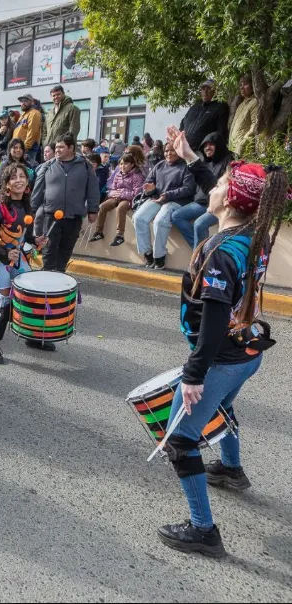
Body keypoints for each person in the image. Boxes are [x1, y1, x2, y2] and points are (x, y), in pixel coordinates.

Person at [156, 125, 288, 558]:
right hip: (246, 352)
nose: (213, 186)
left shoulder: (218, 253)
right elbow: (215, 184)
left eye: (222, 184)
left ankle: (203, 530)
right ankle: (231, 469)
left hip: (221, 358)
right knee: (223, 408)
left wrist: (193, 375)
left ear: (230, 200)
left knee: (181, 440)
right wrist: (189, 155)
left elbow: (212, 323)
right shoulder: (252, 233)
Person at [0, 163, 49, 364]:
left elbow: (24, 235)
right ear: (7, 184)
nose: (19, 180)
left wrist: (35, 240)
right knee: (4, 304)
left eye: (22, 177)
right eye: (14, 177)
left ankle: (30, 336)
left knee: (29, 296)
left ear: (27, 182)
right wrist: (5, 253)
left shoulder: (27, 206)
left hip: (17, 259)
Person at [31, 133, 100, 275]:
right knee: (49, 250)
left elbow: (93, 189)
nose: (57, 150)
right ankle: (47, 276)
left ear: (71, 148)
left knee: (65, 251)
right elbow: (37, 190)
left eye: (61, 147)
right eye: (56, 147)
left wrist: (93, 210)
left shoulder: (85, 166)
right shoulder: (47, 166)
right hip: (51, 216)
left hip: (74, 217)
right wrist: (32, 210)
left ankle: (60, 276)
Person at [133, 142, 196, 269]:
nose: (168, 153)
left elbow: (188, 189)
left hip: (177, 201)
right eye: (166, 151)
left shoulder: (186, 167)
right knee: (138, 218)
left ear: (179, 151)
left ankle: (159, 255)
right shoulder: (160, 165)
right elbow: (149, 181)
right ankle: (147, 252)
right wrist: (149, 189)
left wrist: (167, 195)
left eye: (172, 150)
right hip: (158, 198)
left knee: (160, 221)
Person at [171, 133, 233, 249]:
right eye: (205, 145)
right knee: (176, 216)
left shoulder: (229, 160)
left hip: (219, 204)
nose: (207, 148)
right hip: (202, 203)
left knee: (199, 224)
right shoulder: (205, 162)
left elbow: (223, 186)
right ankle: (200, 250)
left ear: (219, 145)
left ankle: (199, 252)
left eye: (211, 144)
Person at [91, 153, 144, 247]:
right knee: (102, 206)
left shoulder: (137, 176)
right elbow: (111, 189)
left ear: (132, 164)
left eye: (126, 163)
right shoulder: (118, 175)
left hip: (128, 200)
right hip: (116, 197)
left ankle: (120, 235)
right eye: (121, 164)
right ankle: (99, 232)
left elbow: (137, 193)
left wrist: (122, 194)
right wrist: (113, 193)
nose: (123, 166)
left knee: (120, 208)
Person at [180, 79, 230, 150]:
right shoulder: (194, 107)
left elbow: (221, 131)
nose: (205, 91)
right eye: (203, 88)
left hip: (202, 151)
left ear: (215, 91)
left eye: (209, 89)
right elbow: (183, 123)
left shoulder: (220, 106)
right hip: (184, 148)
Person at [228, 75, 258, 156]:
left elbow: (255, 125)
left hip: (244, 150)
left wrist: (242, 144)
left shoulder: (255, 102)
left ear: (252, 85)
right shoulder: (241, 105)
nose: (242, 87)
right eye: (240, 84)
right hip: (233, 148)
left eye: (245, 84)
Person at [14, 94, 43, 162]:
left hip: (28, 149)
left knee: (27, 167)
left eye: (25, 101)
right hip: (19, 148)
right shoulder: (23, 115)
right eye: (21, 101)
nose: (23, 103)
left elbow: (33, 132)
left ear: (32, 102)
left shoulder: (34, 113)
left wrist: (25, 147)